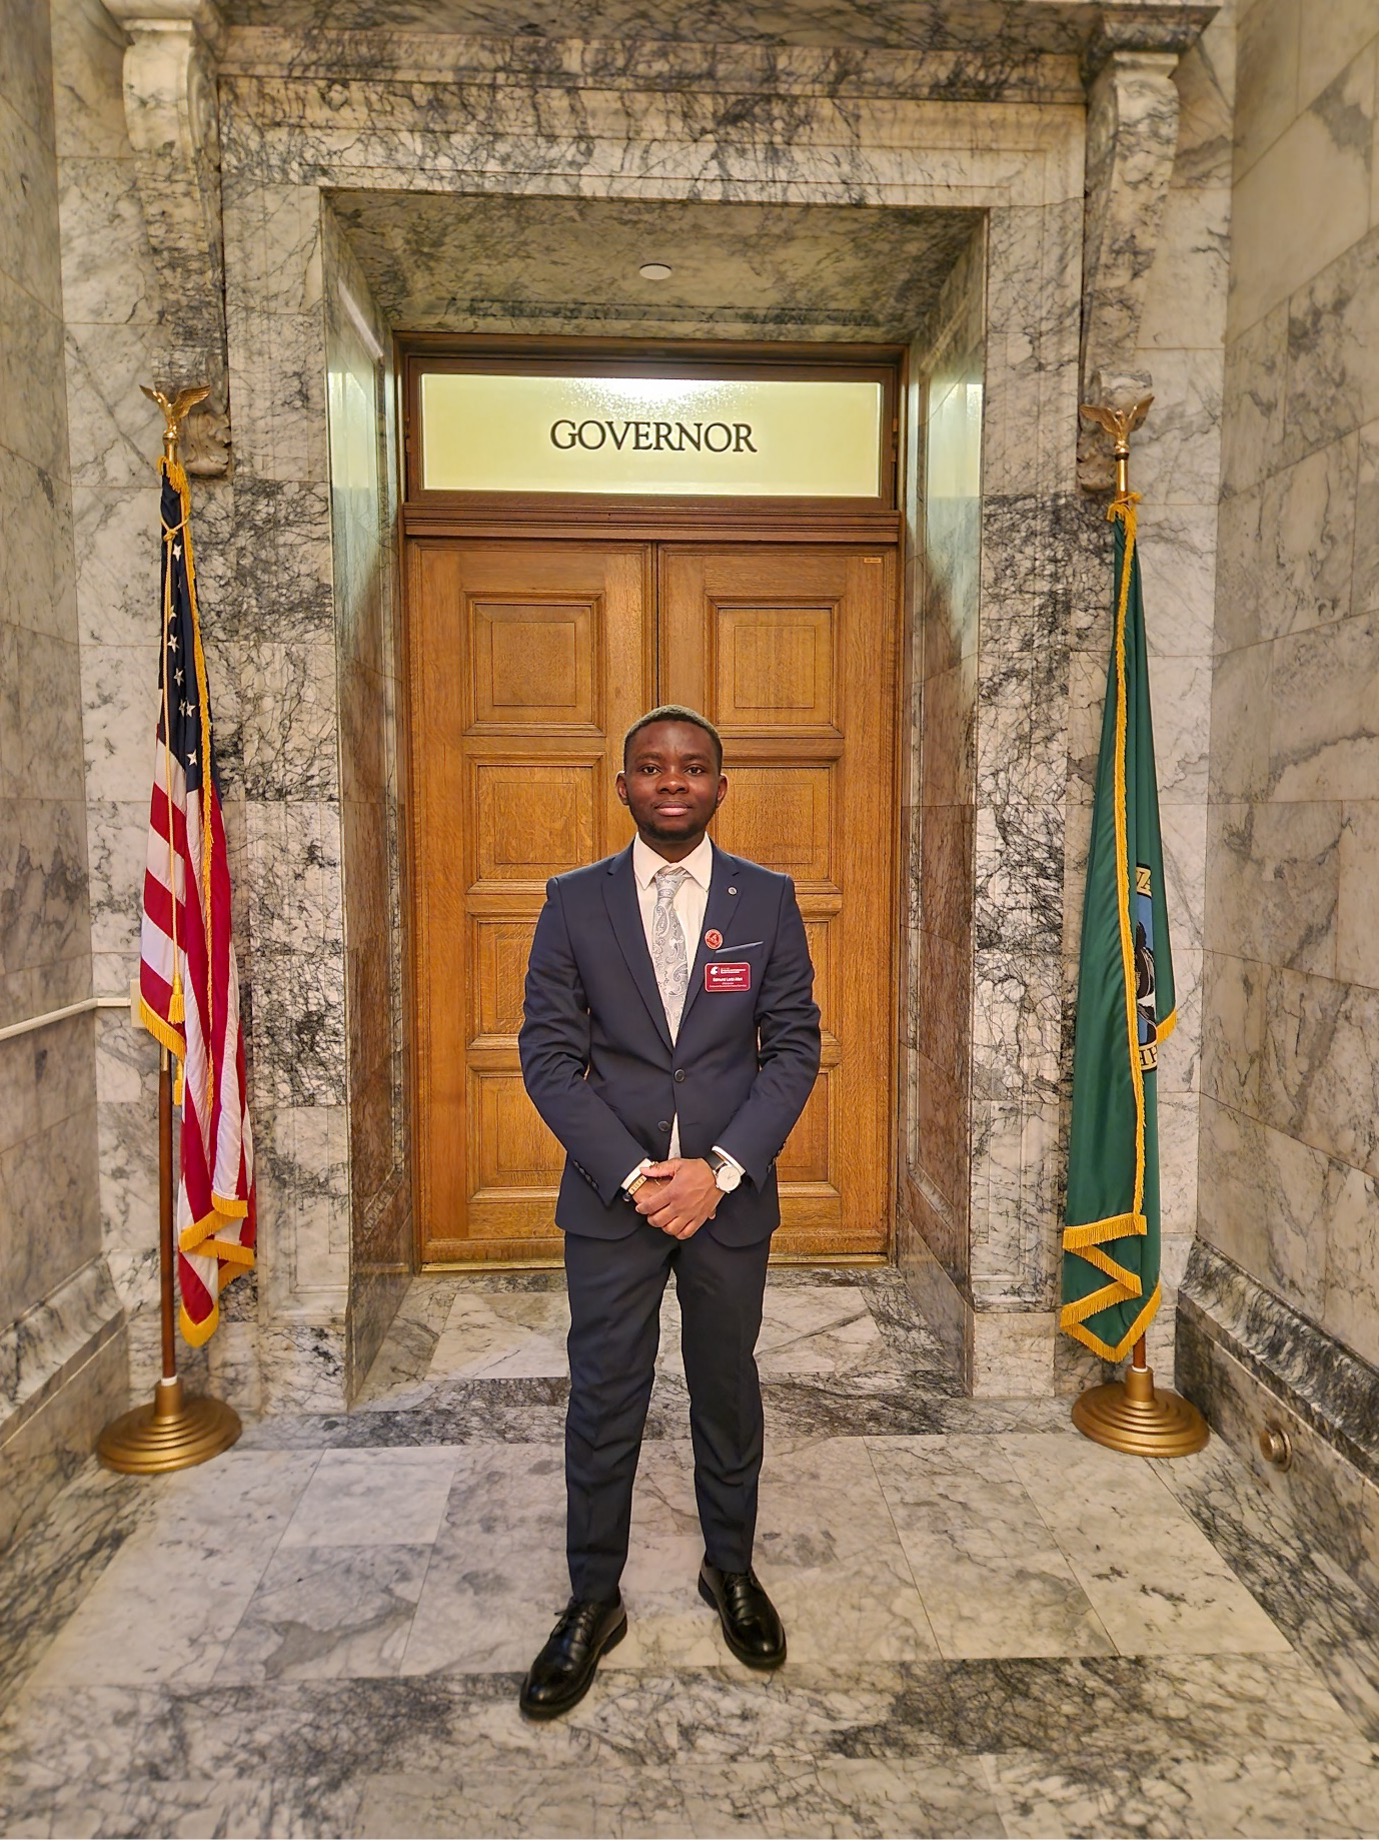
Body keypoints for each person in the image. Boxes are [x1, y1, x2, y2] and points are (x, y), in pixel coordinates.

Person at [516, 704, 821, 1719]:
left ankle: (727, 1570)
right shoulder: (571, 902)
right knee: (605, 1399)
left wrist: (720, 1168)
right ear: (625, 789)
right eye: (651, 768)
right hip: (613, 1206)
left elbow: (794, 1049)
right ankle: (592, 1601)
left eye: (692, 767)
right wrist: (641, 1176)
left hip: (729, 1203)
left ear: (720, 787)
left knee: (726, 1391)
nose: (673, 782)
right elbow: (548, 1059)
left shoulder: (767, 901)